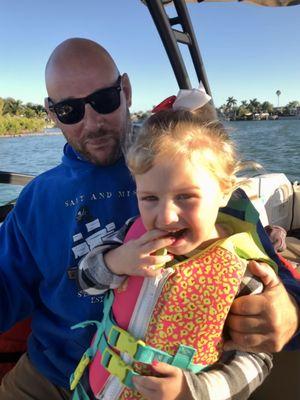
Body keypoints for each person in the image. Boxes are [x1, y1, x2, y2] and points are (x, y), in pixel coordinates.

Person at [0, 37, 298, 400]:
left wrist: (290, 310)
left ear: (125, 89)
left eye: (104, 101)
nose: (92, 122)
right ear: (51, 112)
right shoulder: (35, 200)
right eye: (70, 111)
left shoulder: (191, 168)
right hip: (50, 376)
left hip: (166, 380)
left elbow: (272, 275)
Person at [75, 107, 282, 400]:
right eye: (149, 198)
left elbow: (257, 359)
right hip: (96, 388)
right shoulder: (131, 239)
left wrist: (194, 390)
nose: (167, 216)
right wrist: (114, 261)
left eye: (185, 197)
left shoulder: (244, 272)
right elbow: (85, 278)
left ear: (224, 192)